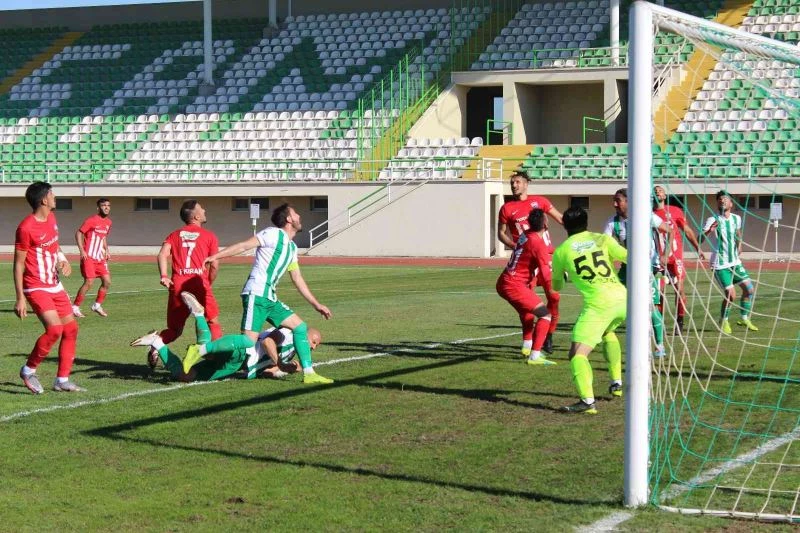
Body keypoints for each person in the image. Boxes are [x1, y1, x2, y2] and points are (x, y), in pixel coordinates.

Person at [204, 203, 333, 384]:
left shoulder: (292, 248)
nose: (299, 216)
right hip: (256, 293)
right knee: (248, 342)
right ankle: (203, 349)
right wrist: (216, 256)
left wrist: (316, 304)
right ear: (288, 219)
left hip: (270, 298)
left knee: (300, 327)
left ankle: (309, 373)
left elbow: (297, 278)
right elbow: (244, 245)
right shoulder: (273, 233)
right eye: (295, 213)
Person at [130, 292, 328, 383]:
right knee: (205, 351)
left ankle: (156, 342)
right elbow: (267, 341)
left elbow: (267, 372)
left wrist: (287, 369)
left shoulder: (292, 353)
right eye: (314, 342)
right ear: (308, 336)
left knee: (185, 375)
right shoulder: (289, 333)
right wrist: (281, 364)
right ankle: (199, 315)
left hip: (240, 365)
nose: (314, 348)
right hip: (242, 354)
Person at [552, 206, 628, 414]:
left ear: (564, 225)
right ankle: (617, 383)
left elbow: (556, 286)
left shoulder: (562, 251)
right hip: (623, 299)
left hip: (599, 305)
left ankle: (587, 402)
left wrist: (566, 276)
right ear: (586, 223)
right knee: (608, 333)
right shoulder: (601, 239)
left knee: (577, 354)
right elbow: (629, 257)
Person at [14, 181, 83, 394]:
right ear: (44, 199)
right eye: (52, 194)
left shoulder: (52, 218)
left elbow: (54, 244)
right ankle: (28, 370)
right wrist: (20, 298)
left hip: (54, 284)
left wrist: (62, 259)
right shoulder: (26, 227)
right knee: (54, 329)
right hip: (35, 286)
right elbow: (18, 263)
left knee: (71, 329)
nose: (55, 197)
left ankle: (62, 380)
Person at [497, 170, 563, 355]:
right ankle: (528, 342)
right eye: (512, 182)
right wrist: (514, 244)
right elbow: (501, 233)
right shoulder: (507, 208)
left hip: (546, 257)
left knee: (554, 299)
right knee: (527, 303)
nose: (514, 185)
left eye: (517, 182)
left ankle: (548, 334)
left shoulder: (540, 201)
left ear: (526, 184)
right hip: (527, 262)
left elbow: (560, 218)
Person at [603, 188, 671, 357]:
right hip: (627, 268)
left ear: (628, 201)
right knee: (612, 301)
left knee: (652, 307)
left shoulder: (645, 216)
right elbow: (603, 245)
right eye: (614, 200)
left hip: (648, 268)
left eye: (618, 200)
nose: (614, 204)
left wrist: (665, 254)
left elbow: (669, 231)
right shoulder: (612, 223)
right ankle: (605, 336)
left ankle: (660, 345)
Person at [154, 200, 222, 358]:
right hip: (199, 283)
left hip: (178, 285)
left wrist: (164, 276)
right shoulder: (209, 236)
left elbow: (162, 254)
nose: (204, 210)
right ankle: (216, 357)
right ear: (197, 216)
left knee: (174, 330)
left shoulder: (174, 235)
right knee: (212, 321)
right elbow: (214, 265)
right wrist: (208, 283)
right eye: (202, 209)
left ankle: (155, 343)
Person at [496, 209, 556, 366]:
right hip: (514, 285)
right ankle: (535, 355)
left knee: (527, 312)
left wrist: (557, 251)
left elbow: (540, 250)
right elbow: (544, 273)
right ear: (545, 223)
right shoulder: (538, 243)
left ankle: (527, 346)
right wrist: (552, 287)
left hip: (505, 281)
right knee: (545, 315)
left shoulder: (526, 234)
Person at [701, 190, 758, 334]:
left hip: (735, 262)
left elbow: (738, 233)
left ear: (731, 203)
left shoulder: (736, 218)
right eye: (720, 199)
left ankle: (744, 318)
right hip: (720, 264)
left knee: (749, 289)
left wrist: (739, 244)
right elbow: (699, 239)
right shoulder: (712, 219)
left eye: (725, 199)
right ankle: (724, 320)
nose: (722, 201)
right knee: (731, 295)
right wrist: (708, 231)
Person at [653, 184, 705, 334]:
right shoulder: (649, 213)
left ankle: (680, 321)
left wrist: (698, 248)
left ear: (664, 195)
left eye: (660, 190)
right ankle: (659, 323)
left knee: (679, 289)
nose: (657, 192)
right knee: (659, 292)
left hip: (675, 257)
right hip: (658, 258)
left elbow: (687, 230)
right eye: (655, 191)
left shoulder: (675, 211)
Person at [72, 198, 112, 318]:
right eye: (103, 205)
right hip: (89, 257)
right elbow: (79, 233)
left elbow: (103, 237)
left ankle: (97, 305)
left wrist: (107, 250)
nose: (106, 207)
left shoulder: (109, 222)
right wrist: (82, 250)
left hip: (100, 258)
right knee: (89, 282)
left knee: (107, 282)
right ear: (98, 208)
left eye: (108, 205)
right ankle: (75, 307)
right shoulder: (91, 220)